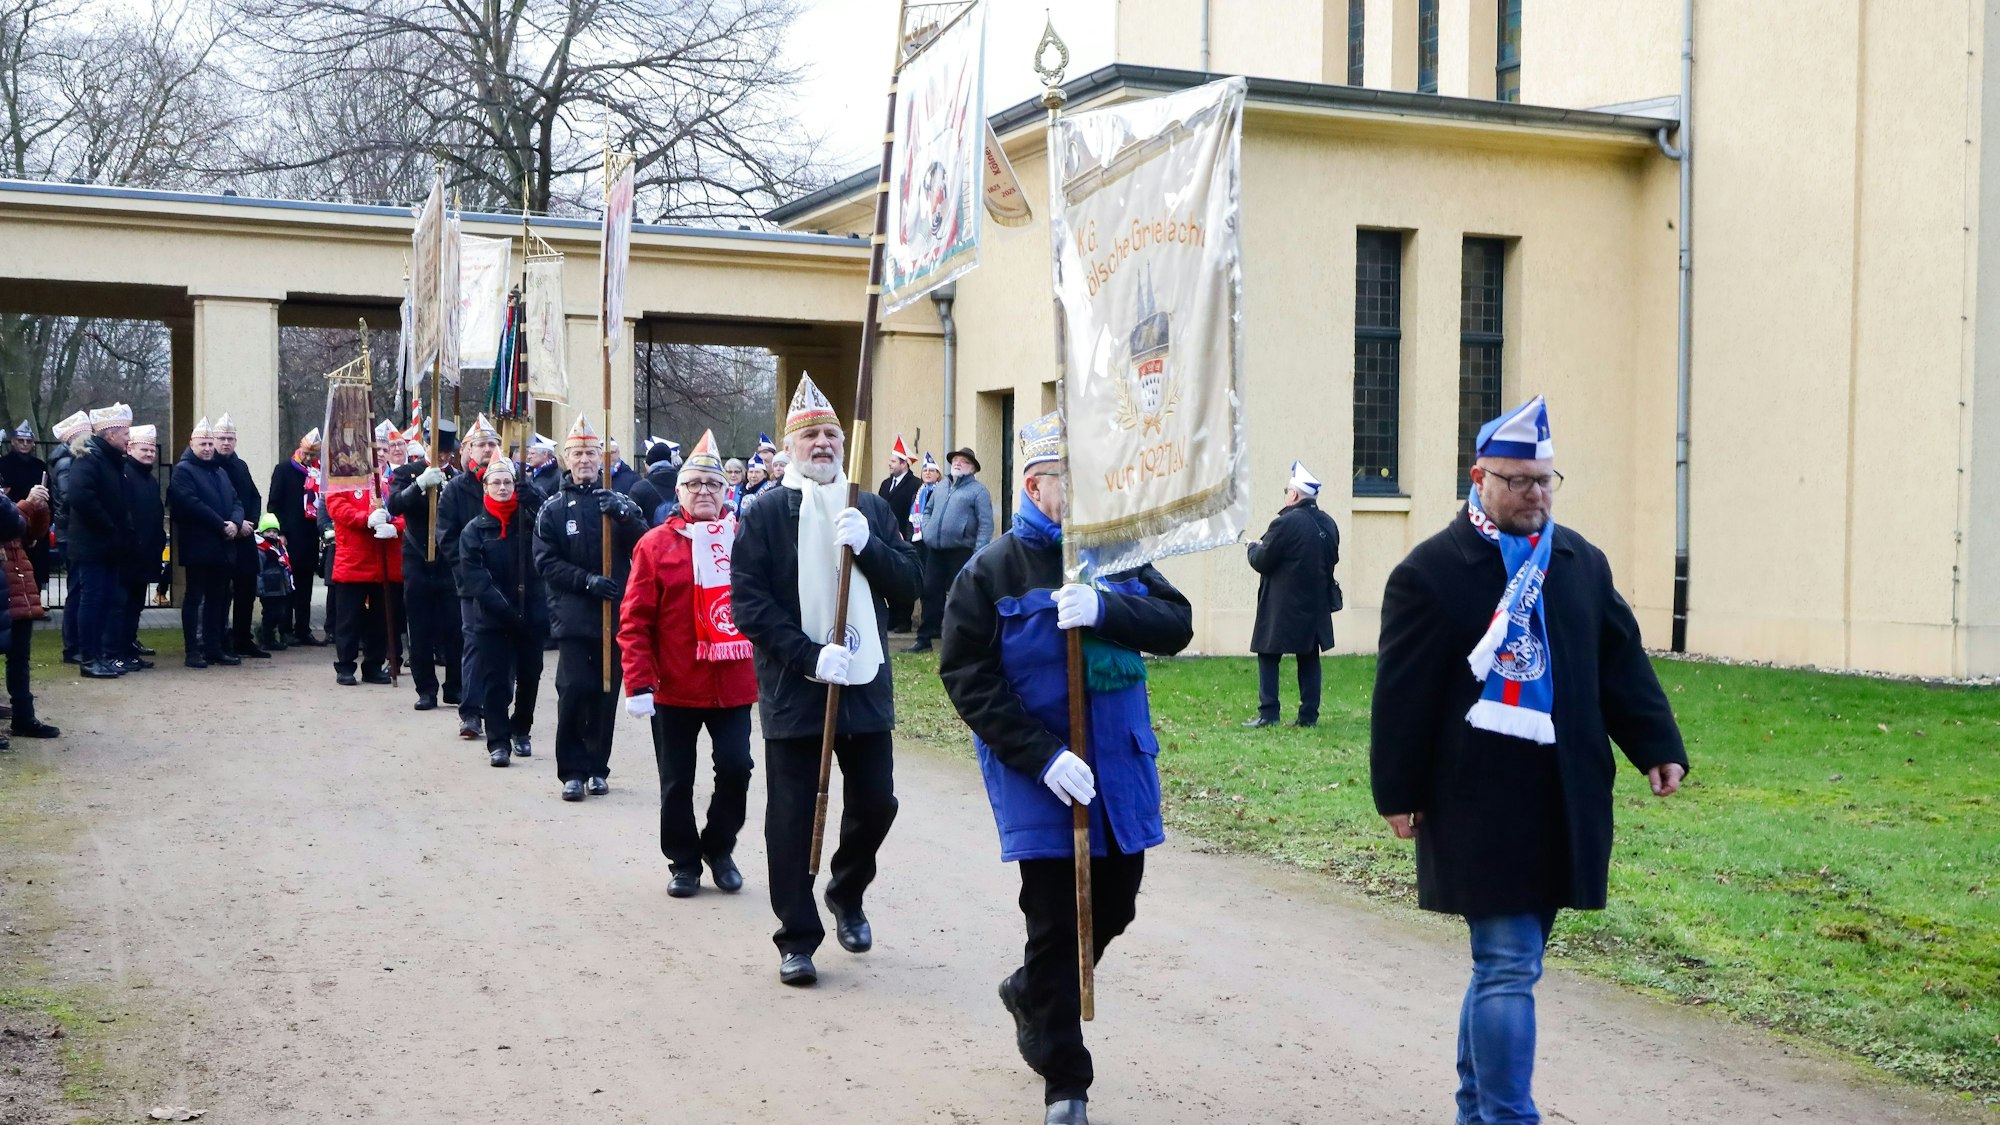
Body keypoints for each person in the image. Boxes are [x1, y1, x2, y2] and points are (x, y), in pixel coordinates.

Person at [1369, 395, 1689, 1125]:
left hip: (1565, 798)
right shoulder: (1431, 571)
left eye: (1545, 480)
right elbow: (1402, 693)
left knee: (1505, 966)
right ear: (1479, 477)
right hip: (1475, 801)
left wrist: (1657, 745)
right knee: (1509, 963)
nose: (1535, 494)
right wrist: (1397, 789)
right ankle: (1509, 1117)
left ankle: (1476, 1108)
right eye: (1518, 480)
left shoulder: (1578, 561)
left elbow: (1619, 662)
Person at [938, 411, 1193, 1125]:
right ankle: (1066, 1082)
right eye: (1072, 480)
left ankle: (1029, 990)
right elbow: (965, 674)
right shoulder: (990, 571)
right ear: (1036, 484)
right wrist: (1042, 756)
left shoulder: (1116, 553)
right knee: (1055, 917)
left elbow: (1177, 622)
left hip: (1119, 766)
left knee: (1116, 901)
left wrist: (1107, 607)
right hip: (1040, 769)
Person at [730, 374, 920, 986]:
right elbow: (750, 605)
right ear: (789, 448)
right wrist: (809, 655)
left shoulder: (870, 508)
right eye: (810, 435)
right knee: (789, 815)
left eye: (831, 434)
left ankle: (846, 889)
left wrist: (871, 547)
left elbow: (911, 586)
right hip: (795, 686)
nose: (822, 444)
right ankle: (797, 936)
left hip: (864, 683)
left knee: (877, 802)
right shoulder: (763, 512)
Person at [618, 430, 758, 898]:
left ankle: (718, 847)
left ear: (727, 491)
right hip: (674, 684)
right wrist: (638, 681)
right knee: (676, 779)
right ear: (678, 492)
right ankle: (683, 861)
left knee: (737, 769)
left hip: (734, 683)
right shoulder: (655, 545)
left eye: (713, 485)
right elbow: (634, 619)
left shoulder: (745, 540)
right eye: (694, 484)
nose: (704, 492)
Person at [533, 414, 648, 801]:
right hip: (574, 614)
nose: (584, 459)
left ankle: (598, 766)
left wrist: (625, 515)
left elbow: (646, 546)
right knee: (574, 689)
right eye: (577, 452)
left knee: (605, 691)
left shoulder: (619, 502)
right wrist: (586, 581)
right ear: (566, 457)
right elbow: (545, 562)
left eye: (591, 453)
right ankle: (572, 770)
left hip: (614, 615)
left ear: (602, 458)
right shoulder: (552, 508)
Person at [457, 457, 547, 766]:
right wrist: (506, 610)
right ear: (485, 487)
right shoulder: (474, 530)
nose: (502, 487)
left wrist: (534, 498)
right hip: (495, 618)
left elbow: (552, 527)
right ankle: (498, 740)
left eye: (507, 482)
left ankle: (521, 729)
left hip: (532, 613)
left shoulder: (530, 518)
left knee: (530, 675)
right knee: (495, 680)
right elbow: (476, 577)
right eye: (496, 482)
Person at [1244, 460, 1341, 728]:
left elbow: (1263, 560)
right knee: (1309, 656)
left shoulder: (1284, 524)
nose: (1286, 495)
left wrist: (1251, 548)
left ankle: (1269, 713)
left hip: (1282, 605)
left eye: (1287, 490)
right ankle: (1308, 716)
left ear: (1295, 495)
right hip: (1316, 603)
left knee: (1268, 654)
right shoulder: (1329, 524)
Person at [387, 422, 461, 712]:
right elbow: (394, 504)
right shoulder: (407, 473)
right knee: (419, 628)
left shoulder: (457, 477)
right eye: (437, 451)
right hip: (418, 557)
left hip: (448, 562)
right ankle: (426, 690)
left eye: (446, 452)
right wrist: (418, 486)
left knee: (455, 628)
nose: (442, 457)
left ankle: (454, 687)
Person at [440, 414, 501, 739]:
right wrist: (471, 573)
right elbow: (446, 537)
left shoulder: (508, 483)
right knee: (475, 644)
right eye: (481, 444)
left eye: (493, 444)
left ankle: (499, 711)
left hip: (506, 583)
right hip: (471, 584)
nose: (488, 449)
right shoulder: (455, 490)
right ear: (467, 450)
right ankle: (471, 712)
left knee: (504, 648)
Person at [66, 404, 135, 679]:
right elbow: (81, 497)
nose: (129, 438)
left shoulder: (111, 459)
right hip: (93, 544)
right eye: (125, 433)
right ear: (110, 434)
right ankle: (89, 657)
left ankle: (100, 655)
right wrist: (109, 526)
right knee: (92, 601)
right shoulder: (89, 459)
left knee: (106, 600)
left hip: (108, 544)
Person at [325, 455, 405, 687]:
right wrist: (365, 519)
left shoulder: (393, 479)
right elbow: (336, 507)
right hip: (354, 559)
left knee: (381, 619)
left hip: (385, 559)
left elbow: (404, 510)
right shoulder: (345, 477)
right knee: (349, 619)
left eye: (383, 450)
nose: (378, 455)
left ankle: (373, 665)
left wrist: (395, 526)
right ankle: (346, 666)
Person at [169, 419, 242, 668]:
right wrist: (222, 524)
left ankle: (214, 648)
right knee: (195, 597)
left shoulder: (220, 472)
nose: (209, 448)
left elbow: (236, 500)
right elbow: (190, 504)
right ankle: (193, 650)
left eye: (211, 443)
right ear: (192, 443)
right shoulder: (183, 471)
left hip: (222, 546)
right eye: (204, 443)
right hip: (199, 545)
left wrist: (235, 521)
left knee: (217, 599)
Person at [908, 446, 993, 653]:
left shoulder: (978, 492)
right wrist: (927, 531)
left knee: (961, 596)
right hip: (935, 551)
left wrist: (978, 553)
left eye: (963, 461)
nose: (957, 463)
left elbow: (986, 524)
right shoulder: (942, 486)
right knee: (930, 593)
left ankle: (960, 639)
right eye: (955, 460)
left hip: (962, 551)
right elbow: (927, 510)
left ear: (972, 468)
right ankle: (925, 638)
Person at [0, 477, 58, 739]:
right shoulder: (8, 508)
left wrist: (40, 507)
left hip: (18, 590)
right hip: (6, 591)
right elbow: (12, 524)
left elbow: (32, 533)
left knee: (20, 659)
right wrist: (27, 504)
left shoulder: (7, 505)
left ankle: (24, 717)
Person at [212, 414, 270, 659]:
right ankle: (220, 639)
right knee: (221, 593)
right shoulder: (211, 466)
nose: (226, 443)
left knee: (247, 590)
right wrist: (235, 523)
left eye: (230, 438)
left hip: (246, 535)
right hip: (223, 536)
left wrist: (251, 522)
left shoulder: (241, 466)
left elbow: (254, 497)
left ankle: (242, 638)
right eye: (222, 438)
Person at [266, 428, 327, 645]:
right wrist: (280, 532)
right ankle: (285, 629)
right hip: (289, 536)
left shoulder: (319, 474)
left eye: (313, 455)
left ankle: (303, 628)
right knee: (288, 584)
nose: (309, 458)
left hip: (309, 535)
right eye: (307, 454)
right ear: (300, 449)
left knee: (306, 585)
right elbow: (274, 503)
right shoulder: (284, 469)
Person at [118, 424, 166, 666]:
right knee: (124, 606)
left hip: (146, 552)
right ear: (130, 449)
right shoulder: (125, 475)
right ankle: (121, 651)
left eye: (151, 451)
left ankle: (129, 648)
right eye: (144, 450)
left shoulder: (149, 478)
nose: (149, 454)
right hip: (130, 553)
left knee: (136, 605)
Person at [47, 410, 89, 664]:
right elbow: (67, 497)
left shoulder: (67, 460)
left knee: (79, 589)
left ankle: (75, 644)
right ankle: (72, 646)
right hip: (71, 534)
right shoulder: (67, 463)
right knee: (77, 591)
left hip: (69, 533)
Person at [876, 435, 921, 633]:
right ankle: (892, 617)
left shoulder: (915, 484)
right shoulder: (886, 484)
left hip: (905, 538)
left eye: (893, 461)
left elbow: (915, 511)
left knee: (903, 577)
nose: (889, 464)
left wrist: (907, 535)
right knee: (888, 577)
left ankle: (904, 619)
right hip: (887, 536)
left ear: (904, 463)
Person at [0, 419, 51, 589]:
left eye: (28, 441)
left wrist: (41, 527)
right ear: (13, 442)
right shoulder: (3, 465)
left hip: (37, 523)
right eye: (20, 441)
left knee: (36, 569)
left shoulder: (40, 466)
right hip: (13, 522)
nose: (24, 444)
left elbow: (49, 497)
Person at [253, 513, 295, 650]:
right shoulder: (262, 549)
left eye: (275, 531)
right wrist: (260, 588)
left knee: (279, 614)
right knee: (270, 614)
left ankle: (269, 636)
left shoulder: (279, 548)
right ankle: (267, 638)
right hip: (268, 588)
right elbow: (258, 570)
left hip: (279, 587)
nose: (272, 534)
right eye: (269, 531)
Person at [627, 438, 681, 528]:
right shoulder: (686, 485)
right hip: (682, 539)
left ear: (648, 464)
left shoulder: (639, 489)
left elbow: (632, 525)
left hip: (651, 540)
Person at [523, 431, 559, 500]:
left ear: (545, 454)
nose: (528, 457)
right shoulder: (531, 473)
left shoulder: (557, 477)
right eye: (529, 453)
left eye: (532, 453)